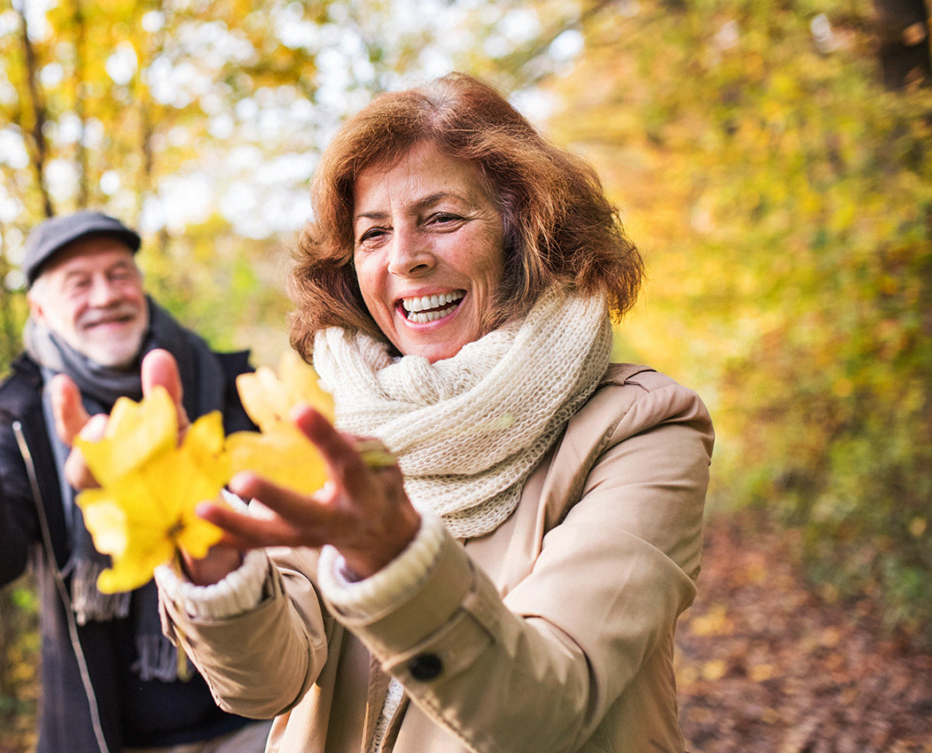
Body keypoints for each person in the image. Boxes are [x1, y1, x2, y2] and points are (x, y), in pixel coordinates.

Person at [117, 73, 714, 752]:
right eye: (374, 233)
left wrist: (394, 559)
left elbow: (546, 711)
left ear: (526, 233)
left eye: (442, 217)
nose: (406, 257)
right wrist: (216, 570)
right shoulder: (333, 418)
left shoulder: (642, 428)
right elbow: (266, 683)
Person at [0, 211, 273, 753]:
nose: (105, 295)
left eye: (120, 273)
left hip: (261, 713)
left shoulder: (219, 380)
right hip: (109, 735)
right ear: (40, 308)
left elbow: (279, 534)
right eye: (78, 283)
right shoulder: (15, 416)